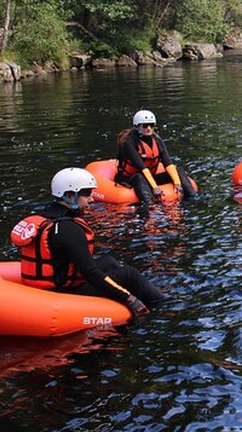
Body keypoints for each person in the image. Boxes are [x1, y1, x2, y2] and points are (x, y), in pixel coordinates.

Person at [10, 168, 166, 316]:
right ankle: (165, 305)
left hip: (54, 280)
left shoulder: (45, 217)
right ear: (70, 196)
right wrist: (129, 299)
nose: (91, 199)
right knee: (129, 275)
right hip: (62, 291)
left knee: (108, 261)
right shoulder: (69, 229)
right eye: (87, 194)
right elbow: (91, 273)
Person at [116, 109, 197, 206]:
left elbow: (168, 163)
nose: (149, 128)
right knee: (139, 177)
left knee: (178, 170)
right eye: (145, 126)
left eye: (152, 125)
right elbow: (141, 167)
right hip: (130, 178)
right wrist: (155, 187)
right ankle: (149, 206)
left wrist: (177, 183)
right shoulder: (129, 142)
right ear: (137, 126)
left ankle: (192, 199)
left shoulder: (157, 140)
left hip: (150, 177)